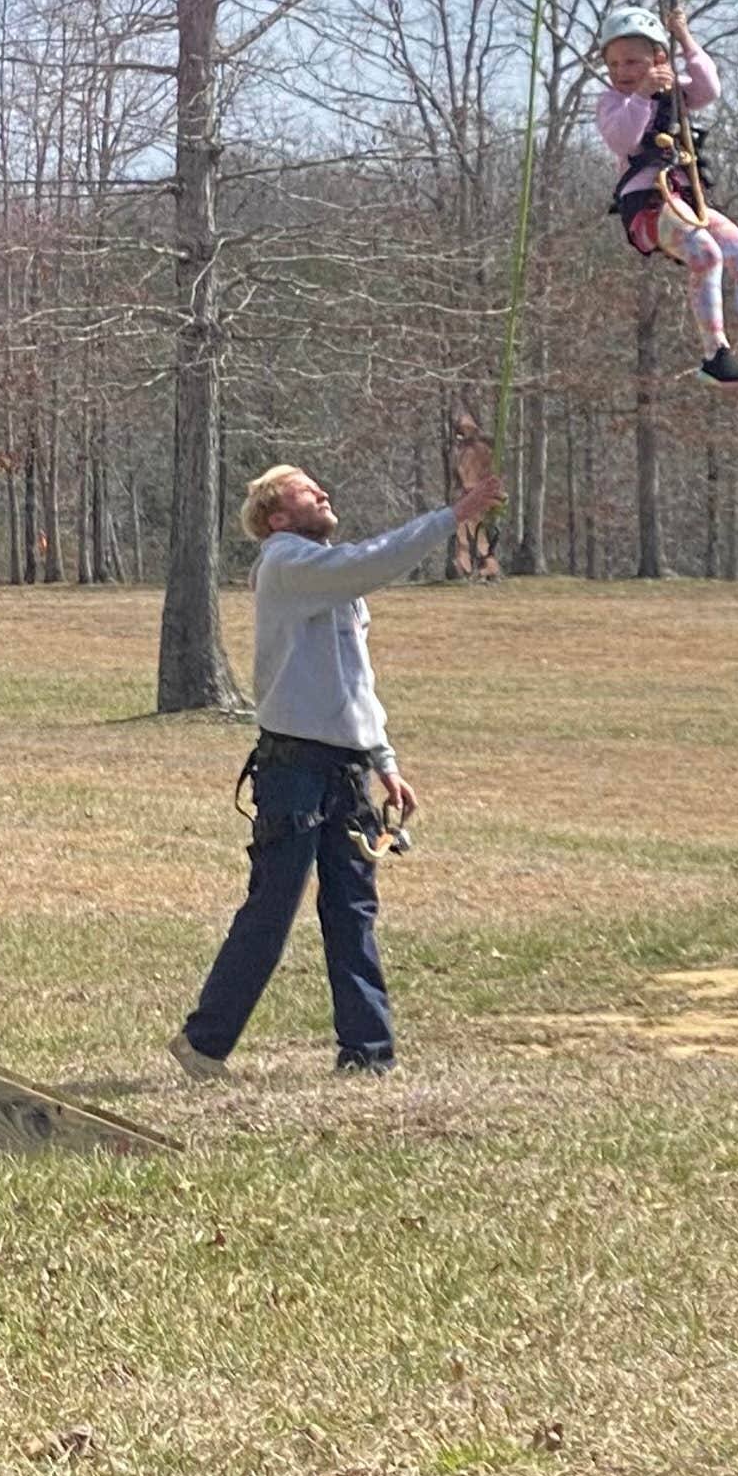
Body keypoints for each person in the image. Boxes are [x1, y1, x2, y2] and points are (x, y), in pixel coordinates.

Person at [168, 461, 502, 1080]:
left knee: (352, 910)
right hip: (293, 769)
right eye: (306, 490)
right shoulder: (288, 563)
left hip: (345, 770)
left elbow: (355, 678)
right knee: (273, 909)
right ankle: (204, 1044)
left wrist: (384, 761)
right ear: (279, 517)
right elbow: (369, 560)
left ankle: (368, 1055)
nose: (323, 493)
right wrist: (452, 517)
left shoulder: (332, 583)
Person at [595, 3, 738, 389]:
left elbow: (709, 87)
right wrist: (642, 95)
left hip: (686, 199)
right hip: (647, 205)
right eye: (615, 65)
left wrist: (685, 39)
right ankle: (715, 354)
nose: (622, 73)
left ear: (657, 60)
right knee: (705, 254)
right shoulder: (615, 103)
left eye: (632, 63)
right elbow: (623, 138)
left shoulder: (675, 95)